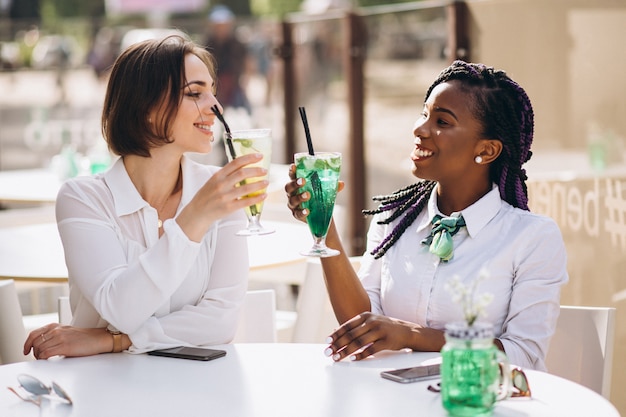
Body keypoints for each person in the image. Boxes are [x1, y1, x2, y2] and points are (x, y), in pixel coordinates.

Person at [285, 60, 568, 371]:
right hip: (397, 399)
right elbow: (361, 325)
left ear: (487, 151)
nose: (419, 130)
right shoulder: (393, 219)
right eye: (424, 114)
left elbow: (522, 355)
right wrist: (325, 227)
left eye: (442, 122)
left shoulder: (533, 238)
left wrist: (413, 336)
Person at [23, 34, 268, 359]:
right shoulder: (84, 198)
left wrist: (111, 341)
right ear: (146, 108)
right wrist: (194, 218)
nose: (216, 107)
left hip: (198, 392)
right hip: (103, 390)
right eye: (195, 93)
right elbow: (120, 308)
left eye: (212, 91)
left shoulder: (218, 191)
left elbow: (220, 322)